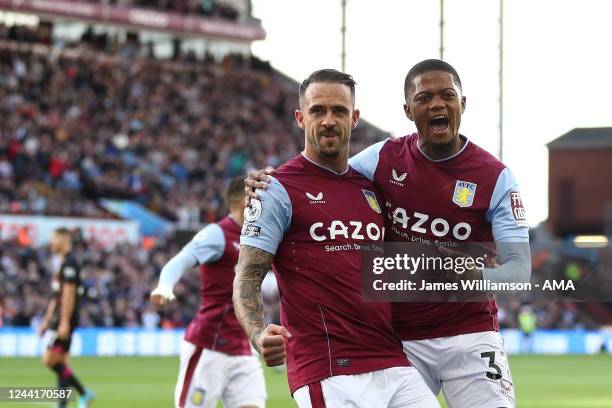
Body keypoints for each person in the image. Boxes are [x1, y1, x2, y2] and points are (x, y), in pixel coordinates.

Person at [245, 59, 531, 408]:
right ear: (409, 110)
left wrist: (470, 276)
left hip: (469, 332)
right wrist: (266, 183)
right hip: (401, 340)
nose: (437, 105)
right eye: (425, 98)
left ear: (463, 104)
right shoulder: (382, 159)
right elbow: (326, 171)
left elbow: (518, 273)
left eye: (447, 95)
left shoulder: (496, 177)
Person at [233, 69, 440, 407]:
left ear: (354, 118)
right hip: (329, 369)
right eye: (318, 110)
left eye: (339, 111)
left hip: (391, 361)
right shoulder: (276, 190)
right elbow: (247, 275)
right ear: (301, 118)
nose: (328, 120)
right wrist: (258, 333)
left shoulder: (370, 188)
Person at [150, 177, 267, 408]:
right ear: (243, 202)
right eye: (258, 199)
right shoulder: (218, 234)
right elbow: (180, 261)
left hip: (243, 348)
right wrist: (164, 286)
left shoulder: (260, 237)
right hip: (210, 345)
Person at [39, 228, 94, 408]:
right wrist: (46, 320)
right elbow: (57, 296)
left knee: (49, 360)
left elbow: (68, 295)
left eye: (54, 240)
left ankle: (83, 393)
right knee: (61, 361)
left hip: (66, 318)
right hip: (60, 318)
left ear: (64, 240)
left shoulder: (70, 263)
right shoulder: (63, 264)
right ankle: (63, 403)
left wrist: (63, 322)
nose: (51, 243)